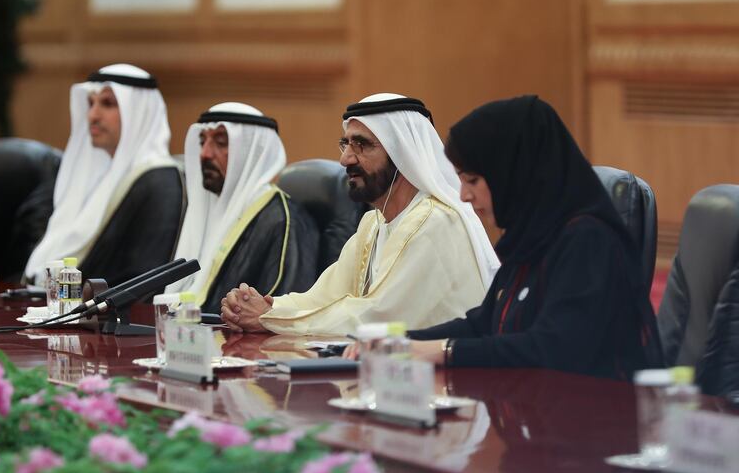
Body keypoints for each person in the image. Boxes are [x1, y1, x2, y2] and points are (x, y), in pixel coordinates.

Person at [404, 95, 663, 379]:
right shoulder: (530, 236)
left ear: (514, 171)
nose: (464, 195)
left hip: (598, 414)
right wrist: (399, 343)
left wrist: (445, 351)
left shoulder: (588, 241)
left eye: (473, 180)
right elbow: (483, 324)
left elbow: (553, 348)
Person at [221, 93, 500, 336]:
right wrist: (262, 306)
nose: (346, 159)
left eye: (362, 145)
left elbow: (374, 316)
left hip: (448, 386)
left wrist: (270, 319)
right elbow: (325, 298)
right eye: (346, 144)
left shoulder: (437, 223)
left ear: (402, 154)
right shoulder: (374, 223)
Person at [24, 64, 184, 287]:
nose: (92, 115)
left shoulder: (158, 182)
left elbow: (140, 276)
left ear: (139, 112)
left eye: (107, 104)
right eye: (91, 103)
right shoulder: (94, 176)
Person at [165, 102, 319, 314]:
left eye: (220, 142)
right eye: (202, 142)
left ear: (252, 153)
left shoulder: (282, 220)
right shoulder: (207, 214)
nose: (205, 154)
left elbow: (280, 312)